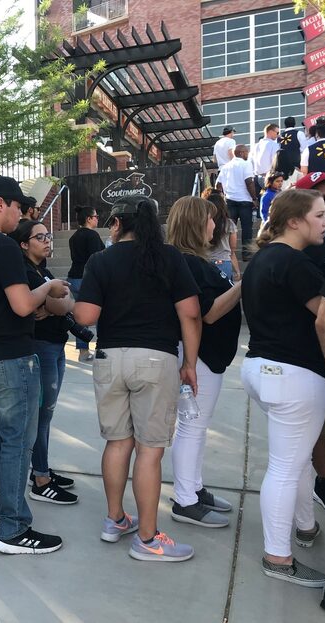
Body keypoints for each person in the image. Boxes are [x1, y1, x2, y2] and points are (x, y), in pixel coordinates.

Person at [74, 194, 201, 562]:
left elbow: (85, 316)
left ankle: (115, 519)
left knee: (117, 443)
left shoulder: (101, 260)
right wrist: (189, 363)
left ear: (116, 224)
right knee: (150, 450)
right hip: (155, 358)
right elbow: (190, 314)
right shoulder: (169, 257)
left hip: (110, 358)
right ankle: (147, 539)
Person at [0, 175, 69, 555]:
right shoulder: (2, 246)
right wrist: (48, 289)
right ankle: (14, 528)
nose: (23, 213)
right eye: (20, 206)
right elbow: (22, 304)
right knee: (17, 439)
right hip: (10, 355)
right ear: (0, 204)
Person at [241, 188, 325, 587]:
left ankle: (305, 527)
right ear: (294, 221)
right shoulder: (295, 263)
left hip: (262, 369)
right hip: (293, 374)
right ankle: (278, 557)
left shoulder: (262, 258)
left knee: (293, 460)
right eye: (319, 215)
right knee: (286, 466)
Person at [165, 196, 242, 529]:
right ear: (196, 223)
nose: (215, 225)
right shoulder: (188, 264)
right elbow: (208, 312)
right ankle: (185, 500)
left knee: (195, 427)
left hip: (206, 358)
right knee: (192, 428)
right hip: (199, 359)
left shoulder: (195, 262)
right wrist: (244, 285)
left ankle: (193, 488)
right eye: (210, 220)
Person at [11, 220, 78, 506]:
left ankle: (42, 468)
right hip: (40, 349)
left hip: (56, 346)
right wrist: (53, 302)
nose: (48, 240)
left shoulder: (44, 271)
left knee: (46, 415)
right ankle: (40, 480)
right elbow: (60, 304)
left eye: (48, 235)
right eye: (40, 237)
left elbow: (68, 301)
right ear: (24, 243)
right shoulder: (25, 272)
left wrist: (53, 303)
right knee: (41, 415)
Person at [299, 172, 325, 514]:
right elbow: (321, 316)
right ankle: (323, 480)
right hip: (318, 353)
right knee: (321, 426)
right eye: (321, 202)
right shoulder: (299, 252)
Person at [67, 205, 104, 362]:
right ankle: (101, 348)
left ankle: (83, 351)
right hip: (87, 278)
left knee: (80, 316)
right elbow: (97, 258)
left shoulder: (73, 237)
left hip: (73, 277)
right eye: (95, 216)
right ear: (89, 219)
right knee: (101, 313)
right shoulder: (92, 236)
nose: (97, 219)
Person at [217, 144, 259, 260]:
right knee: (246, 228)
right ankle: (246, 254)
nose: (247, 154)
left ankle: (228, 253)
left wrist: (222, 196)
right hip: (245, 201)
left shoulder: (226, 166)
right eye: (246, 152)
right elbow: (249, 182)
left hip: (230, 201)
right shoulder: (246, 164)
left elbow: (218, 185)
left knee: (229, 229)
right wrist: (254, 199)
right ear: (241, 153)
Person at [203, 189, 241, 281]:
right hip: (223, 262)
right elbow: (232, 250)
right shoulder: (229, 224)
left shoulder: (202, 223)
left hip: (205, 261)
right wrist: (237, 270)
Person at [250, 124, 281, 190]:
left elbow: (251, 161)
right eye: (277, 132)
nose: (278, 135)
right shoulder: (274, 145)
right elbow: (275, 162)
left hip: (256, 178)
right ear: (270, 132)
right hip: (269, 178)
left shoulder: (256, 145)